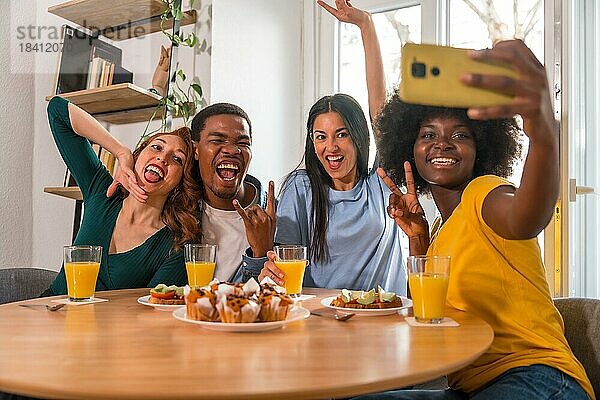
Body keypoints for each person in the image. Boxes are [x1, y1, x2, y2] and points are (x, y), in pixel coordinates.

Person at [359, 40, 594, 399]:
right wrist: (419, 240)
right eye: (428, 135)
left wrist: (544, 131)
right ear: (410, 148)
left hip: (538, 378)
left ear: (481, 147)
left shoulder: (484, 193)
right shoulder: (439, 230)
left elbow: (527, 216)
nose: (442, 144)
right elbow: (428, 320)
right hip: (471, 389)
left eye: (460, 135)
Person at [256, 0, 406, 293]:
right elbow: (285, 271)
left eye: (342, 134)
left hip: (381, 321)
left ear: (360, 137)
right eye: (320, 137)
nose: (331, 147)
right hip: (320, 323)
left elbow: (382, 116)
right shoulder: (300, 188)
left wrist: (366, 26)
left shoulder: (380, 185)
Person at [43, 96, 200, 296]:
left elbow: (153, 312)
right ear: (138, 155)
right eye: (156, 147)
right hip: (50, 314)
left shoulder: (176, 245)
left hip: (104, 327)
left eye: (177, 158)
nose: (162, 157)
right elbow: (57, 110)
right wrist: (121, 152)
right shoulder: (102, 191)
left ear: (181, 182)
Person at [190, 103, 276, 282]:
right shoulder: (181, 208)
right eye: (217, 141)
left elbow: (276, 296)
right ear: (195, 149)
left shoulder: (275, 214)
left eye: (243, 143)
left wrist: (262, 252)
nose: (231, 150)